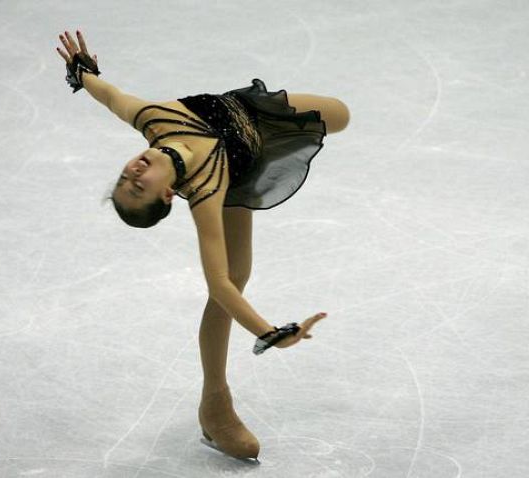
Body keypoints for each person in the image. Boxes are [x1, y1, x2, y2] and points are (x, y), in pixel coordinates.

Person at [56, 29, 350, 462]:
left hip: (252, 111)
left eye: (123, 179)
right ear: (167, 197)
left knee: (341, 114)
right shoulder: (208, 191)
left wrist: (84, 74)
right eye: (137, 189)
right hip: (238, 173)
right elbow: (219, 285)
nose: (132, 175)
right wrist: (272, 334)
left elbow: (112, 96)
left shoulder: (153, 119)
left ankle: (214, 403)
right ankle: (215, 401)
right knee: (235, 276)